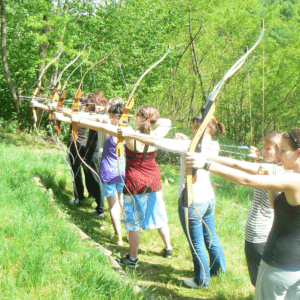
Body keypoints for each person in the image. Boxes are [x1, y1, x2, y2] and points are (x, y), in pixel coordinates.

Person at [186, 129, 300, 299]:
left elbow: (245, 179)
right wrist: (269, 181)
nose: (279, 155)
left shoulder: (294, 180)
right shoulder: (291, 178)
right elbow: (276, 205)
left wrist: (207, 164)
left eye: (283, 150)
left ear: (298, 152)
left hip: (278, 264)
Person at [118, 115, 226, 288]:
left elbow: (157, 142)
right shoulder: (214, 145)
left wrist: (130, 132)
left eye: (195, 127)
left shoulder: (189, 146)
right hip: (209, 199)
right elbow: (192, 144)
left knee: (196, 242)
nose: (191, 130)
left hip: (192, 201)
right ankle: (219, 271)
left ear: (202, 129)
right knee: (211, 236)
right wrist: (185, 140)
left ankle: (201, 280)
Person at [71, 105, 174, 268]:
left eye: (138, 116)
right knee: (159, 216)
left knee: (133, 223)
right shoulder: (156, 134)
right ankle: (168, 248)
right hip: (154, 181)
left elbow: (105, 128)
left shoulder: (130, 135)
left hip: (135, 183)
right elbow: (167, 121)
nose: (135, 117)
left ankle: (133, 259)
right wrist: (150, 121)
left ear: (142, 119)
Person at [204, 132, 285, 286]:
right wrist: (258, 159)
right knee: (261, 279)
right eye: (264, 148)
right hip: (261, 231)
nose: (264, 151)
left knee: (259, 282)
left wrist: (205, 158)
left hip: (259, 232)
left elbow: (236, 165)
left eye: (269, 149)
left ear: (280, 153)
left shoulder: (273, 170)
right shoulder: (273, 169)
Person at [67, 92, 107, 219]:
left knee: (93, 176)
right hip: (90, 146)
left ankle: (99, 207)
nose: (87, 105)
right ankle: (93, 198)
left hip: (91, 148)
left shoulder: (98, 116)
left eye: (89, 104)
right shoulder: (91, 114)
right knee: (90, 175)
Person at [99, 103, 125, 245]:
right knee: (121, 202)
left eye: (111, 114)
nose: (108, 116)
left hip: (108, 172)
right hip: (121, 171)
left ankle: (118, 236)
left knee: (113, 205)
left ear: (116, 116)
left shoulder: (110, 129)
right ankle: (129, 231)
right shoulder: (128, 130)